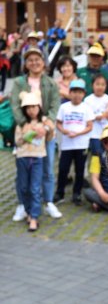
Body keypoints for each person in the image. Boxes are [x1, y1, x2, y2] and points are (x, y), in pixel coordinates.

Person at [10, 47, 62, 221]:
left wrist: (46, 126)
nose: (34, 62)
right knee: (23, 170)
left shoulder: (50, 82)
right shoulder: (19, 82)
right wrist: (25, 125)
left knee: (47, 168)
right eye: (30, 59)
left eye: (37, 59)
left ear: (43, 62)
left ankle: (48, 202)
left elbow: (55, 106)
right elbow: (15, 106)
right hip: (25, 131)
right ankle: (22, 205)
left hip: (45, 131)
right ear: (26, 63)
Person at [15, 91, 54, 232]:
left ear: (39, 107)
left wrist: (45, 129)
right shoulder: (21, 124)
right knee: (24, 187)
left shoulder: (44, 121)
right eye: (28, 107)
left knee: (35, 188)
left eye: (34, 106)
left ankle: (34, 217)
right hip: (22, 158)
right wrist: (27, 136)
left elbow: (50, 135)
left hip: (38, 158)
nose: (32, 110)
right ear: (24, 109)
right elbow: (17, 142)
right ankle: (29, 211)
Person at [54, 79, 94, 205]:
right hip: (66, 145)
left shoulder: (86, 108)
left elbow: (90, 126)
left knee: (80, 170)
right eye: (74, 92)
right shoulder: (63, 107)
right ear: (69, 93)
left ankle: (77, 194)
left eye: (80, 92)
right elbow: (58, 123)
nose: (77, 95)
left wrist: (78, 133)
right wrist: (64, 131)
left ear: (84, 94)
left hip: (81, 145)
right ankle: (59, 193)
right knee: (63, 169)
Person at [84, 74, 108, 157]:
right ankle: (95, 170)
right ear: (92, 85)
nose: (100, 87)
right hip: (93, 133)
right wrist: (95, 117)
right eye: (97, 84)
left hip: (107, 132)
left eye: (103, 84)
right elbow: (85, 115)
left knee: (107, 155)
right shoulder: (88, 100)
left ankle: (105, 170)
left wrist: (104, 115)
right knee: (96, 154)